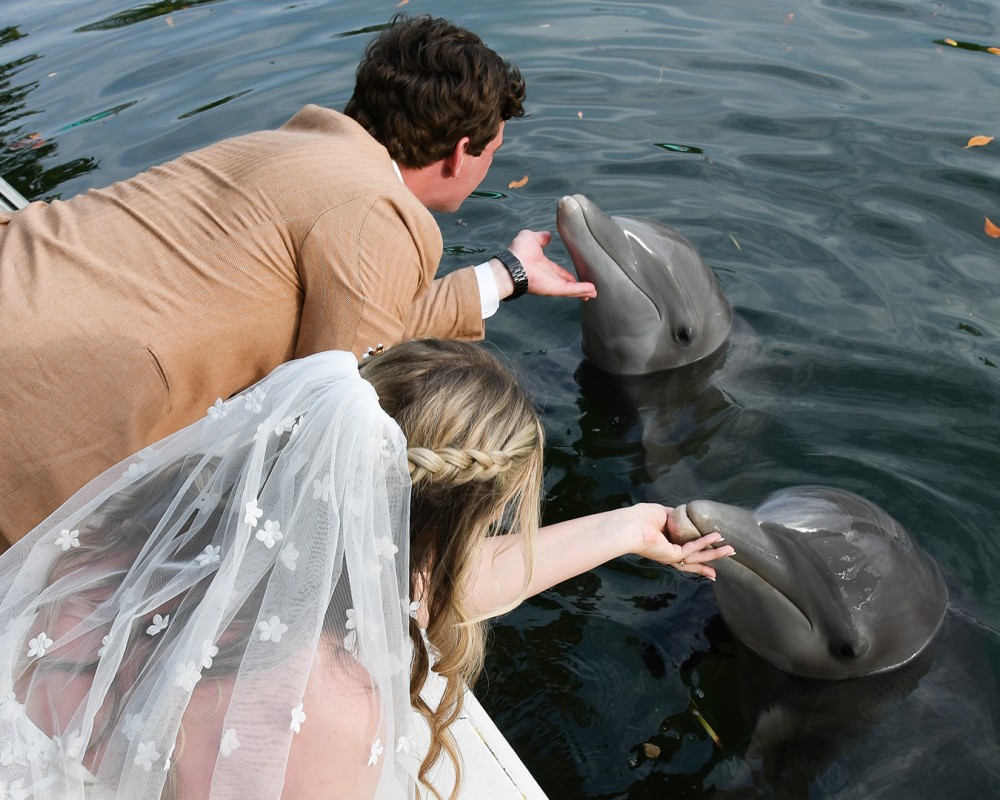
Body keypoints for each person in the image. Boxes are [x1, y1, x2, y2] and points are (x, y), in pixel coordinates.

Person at [0, 339, 730, 799]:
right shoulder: (329, 704)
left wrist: (630, 527)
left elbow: (442, 586)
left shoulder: (140, 537)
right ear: (444, 533)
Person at [0, 13, 597, 549]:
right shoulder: (383, 212)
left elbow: (358, 316)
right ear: (461, 151)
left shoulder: (282, 148)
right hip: (43, 409)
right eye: (493, 149)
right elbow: (346, 400)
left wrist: (506, 276)